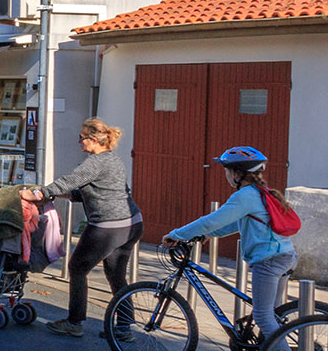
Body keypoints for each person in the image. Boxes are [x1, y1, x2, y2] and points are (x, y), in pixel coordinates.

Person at [18, 118, 139, 338]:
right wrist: (59, 194)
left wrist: (37, 194)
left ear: (93, 140)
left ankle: (74, 323)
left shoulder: (95, 162)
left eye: (81, 138)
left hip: (107, 226)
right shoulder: (113, 160)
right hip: (131, 223)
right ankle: (123, 327)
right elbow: (91, 190)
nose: (79, 142)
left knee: (77, 268)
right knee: (116, 273)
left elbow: (70, 180)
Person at [164, 146, 297, 340]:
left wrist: (176, 234)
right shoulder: (259, 192)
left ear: (236, 173)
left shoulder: (244, 196)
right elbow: (235, 223)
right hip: (284, 256)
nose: (225, 175)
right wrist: (208, 234)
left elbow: (210, 220)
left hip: (269, 261)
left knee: (263, 317)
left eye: (226, 170)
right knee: (272, 317)